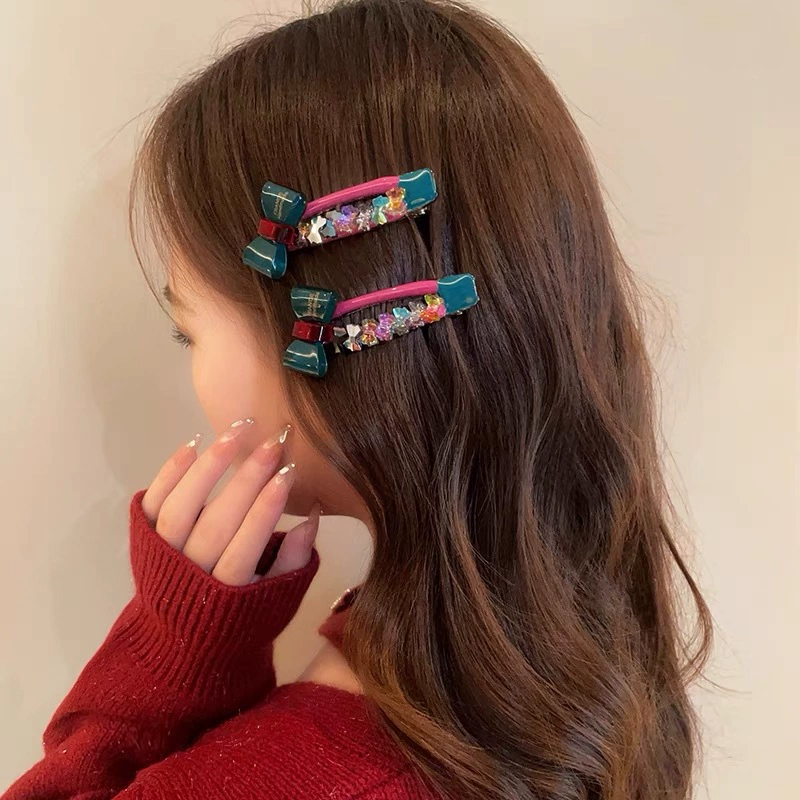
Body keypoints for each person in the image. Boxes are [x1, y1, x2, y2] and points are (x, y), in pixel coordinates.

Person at [3, 0, 712, 798]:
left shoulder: (301, 778)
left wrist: (169, 655)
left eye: (186, 331)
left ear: (317, 336)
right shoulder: (590, 658)